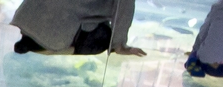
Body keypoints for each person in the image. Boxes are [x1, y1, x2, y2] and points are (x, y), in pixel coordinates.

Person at [8, 0, 145, 56]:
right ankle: (51, 47)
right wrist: (119, 45)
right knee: (104, 37)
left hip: (26, 16)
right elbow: (123, 10)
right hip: (57, 33)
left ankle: (30, 40)